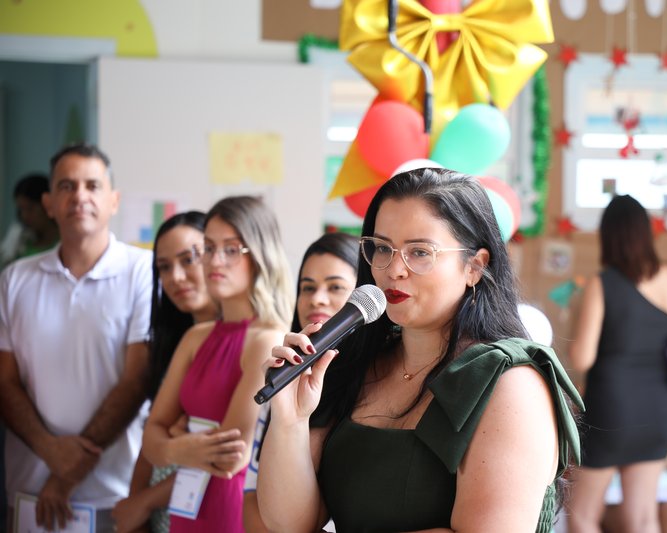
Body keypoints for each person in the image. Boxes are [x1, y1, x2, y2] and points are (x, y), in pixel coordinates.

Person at [257, 168, 583, 533]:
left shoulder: (511, 382)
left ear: (475, 266)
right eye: (382, 248)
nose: (394, 269)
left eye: (420, 252)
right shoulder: (357, 363)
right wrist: (290, 420)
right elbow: (289, 523)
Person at [0, 143, 152, 533]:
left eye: (92, 185)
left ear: (114, 200)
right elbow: (4, 381)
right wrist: (49, 450)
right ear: (49, 203)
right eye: (67, 186)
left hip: (118, 493)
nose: (80, 196)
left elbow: (137, 380)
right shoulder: (14, 279)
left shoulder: (144, 271)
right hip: (30, 493)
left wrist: (66, 474)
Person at [142, 196, 293, 533]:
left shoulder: (268, 340)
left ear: (259, 254)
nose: (215, 260)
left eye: (231, 249)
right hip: (186, 507)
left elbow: (231, 455)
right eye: (208, 248)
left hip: (230, 509)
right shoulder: (195, 337)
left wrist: (174, 442)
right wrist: (177, 446)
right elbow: (149, 439)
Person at [567, 194, 667, 533]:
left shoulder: (602, 283)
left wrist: (575, 320)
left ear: (607, 236)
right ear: (647, 233)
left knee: (582, 515)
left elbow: (582, 357)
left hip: (610, 409)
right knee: (642, 518)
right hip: (657, 409)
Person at [241, 232, 359, 533]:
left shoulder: (374, 380)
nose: (317, 298)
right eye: (307, 287)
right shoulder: (284, 377)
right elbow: (252, 499)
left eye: (335, 286)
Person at [112, 211, 219, 533]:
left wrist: (144, 502)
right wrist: (137, 509)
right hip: (160, 518)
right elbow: (151, 437)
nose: (176, 277)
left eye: (188, 259)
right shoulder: (172, 342)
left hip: (212, 512)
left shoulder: (246, 344)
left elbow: (221, 452)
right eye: (164, 267)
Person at [0, 173, 59, 267]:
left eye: (30, 208)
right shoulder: (18, 240)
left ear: (47, 205)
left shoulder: (64, 242)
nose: (25, 216)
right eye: (21, 209)